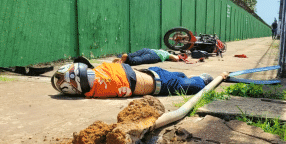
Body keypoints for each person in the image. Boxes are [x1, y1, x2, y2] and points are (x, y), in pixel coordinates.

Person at [51, 57, 213, 98]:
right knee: (187, 80)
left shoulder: (93, 91)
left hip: (158, 81)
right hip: (156, 77)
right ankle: (197, 78)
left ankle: (198, 78)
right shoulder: (103, 70)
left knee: (187, 81)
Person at [113, 48, 180, 65]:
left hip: (147, 50)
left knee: (133, 54)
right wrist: (179, 57)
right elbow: (176, 58)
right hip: (155, 56)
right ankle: (127, 59)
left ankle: (120, 57)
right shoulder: (166, 54)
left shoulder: (160, 50)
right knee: (140, 59)